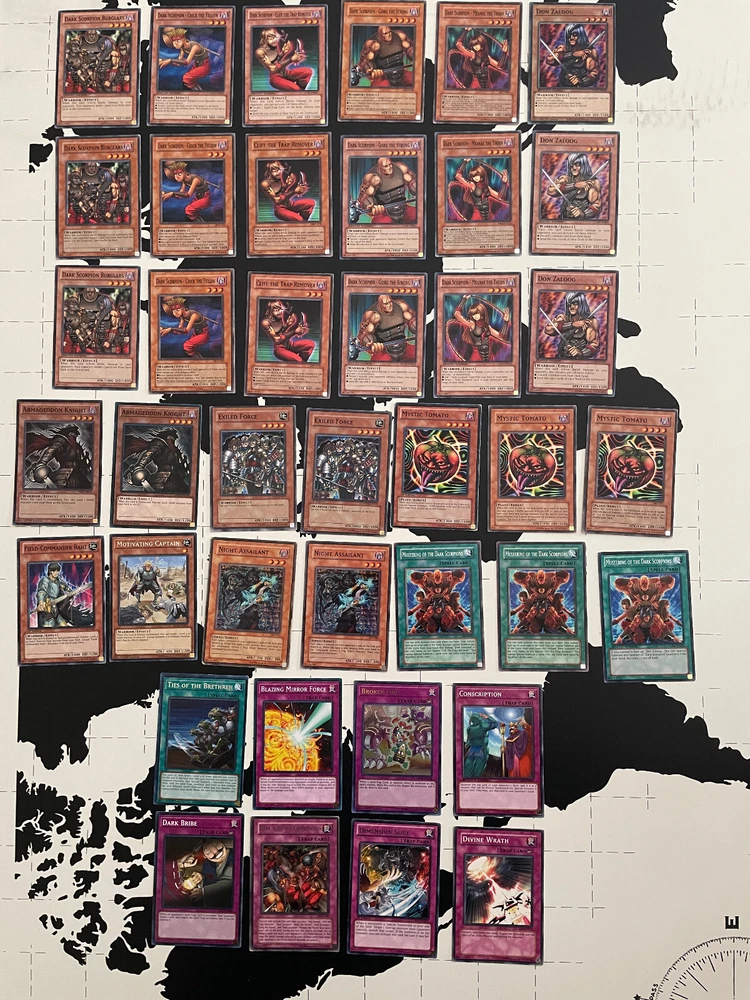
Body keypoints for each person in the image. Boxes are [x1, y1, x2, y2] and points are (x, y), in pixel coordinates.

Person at [353, 294, 416, 362]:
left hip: (403, 346)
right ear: (380, 305)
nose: (390, 305)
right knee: (378, 362)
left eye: (390, 302)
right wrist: (370, 344)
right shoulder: (373, 315)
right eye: (386, 304)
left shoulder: (401, 306)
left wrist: (417, 328)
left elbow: (413, 321)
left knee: (417, 354)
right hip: (384, 349)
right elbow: (365, 334)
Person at [357, 157, 417, 225]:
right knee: (378, 224)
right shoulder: (373, 178)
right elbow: (365, 197)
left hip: (404, 208)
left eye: (390, 164)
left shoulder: (401, 169)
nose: (389, 167)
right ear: (380, 168)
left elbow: (413, 183)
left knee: (418, 216)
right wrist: (370, 207)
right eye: (386, 166)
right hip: (385, 212)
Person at [546, 152, 602, 220]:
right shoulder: (566, 179)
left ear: (583, 165)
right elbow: (551, 191)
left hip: (581, 221)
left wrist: (583, 214)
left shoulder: (592, 183)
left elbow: (597, 206)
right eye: (571, 165)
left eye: (577, 165)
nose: (574, 168)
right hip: (564, 219)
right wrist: (574, 185)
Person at [546, 23, 599, 89]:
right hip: (561, 88)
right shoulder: (564, 48)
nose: (571, 38)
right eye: (569, 35)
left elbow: (595, 74)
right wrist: (572, 54)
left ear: (580, 35)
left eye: (575, 35)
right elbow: (550, 60)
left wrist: (582, 81)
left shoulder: (589, 52)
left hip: (577, 89)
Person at [463, 712, 499, 778]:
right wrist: (487, 717)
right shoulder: (482, 726)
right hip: (481, 750)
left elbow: (469, 741)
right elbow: (495, 724)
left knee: (468, 769)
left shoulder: (469, 728)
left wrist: (467, 746)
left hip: (471, 750)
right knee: (478, 770)